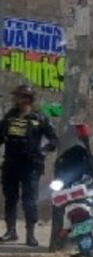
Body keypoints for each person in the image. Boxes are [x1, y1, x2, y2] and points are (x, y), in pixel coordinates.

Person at [0, 85, 58, 246]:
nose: (15, 98)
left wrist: (44, 150)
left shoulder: (40, 118)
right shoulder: (10, 117)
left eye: (19, 96)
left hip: (31, 165)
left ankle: (30, 235)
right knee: (10, 198)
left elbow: (54, 140)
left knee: (30, 200)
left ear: (27, 98)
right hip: (11, 163)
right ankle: (11, 231)